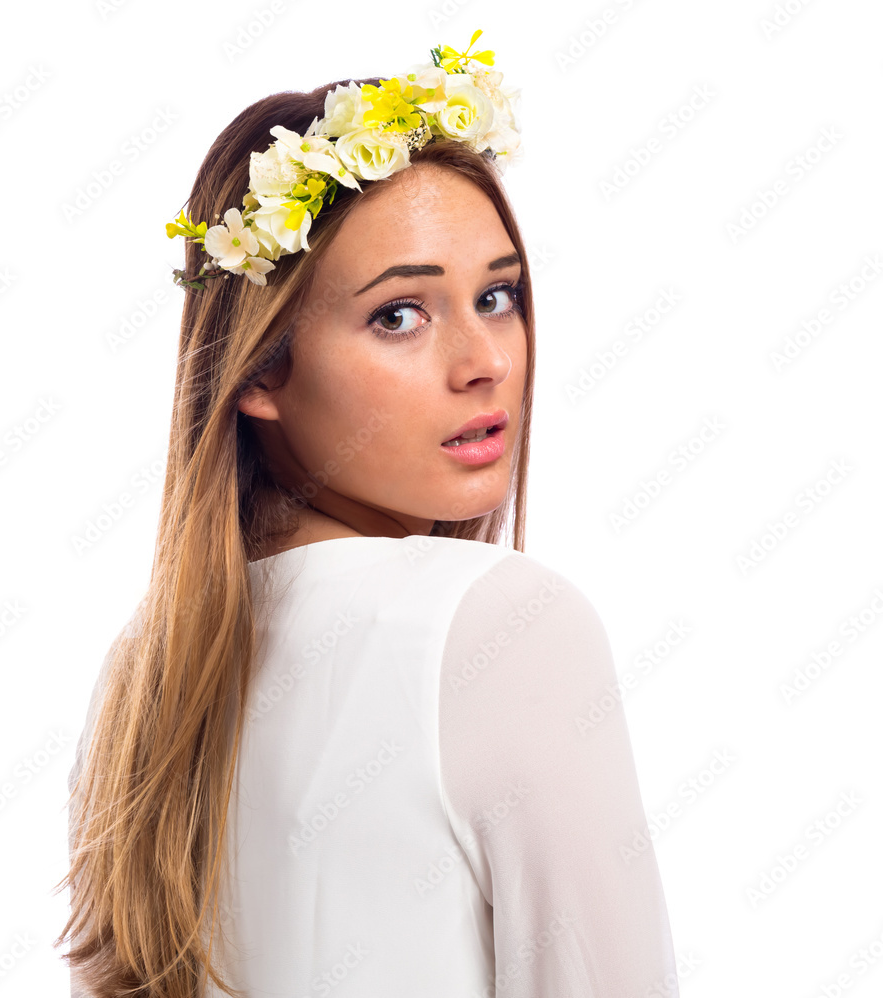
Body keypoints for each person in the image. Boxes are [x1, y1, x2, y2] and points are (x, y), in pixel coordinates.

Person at [55, 31, 680, 998]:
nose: (486, 360)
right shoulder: (504, 625)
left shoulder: (146, 680)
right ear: (260, 368)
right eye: (401, 314)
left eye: (499, 294)